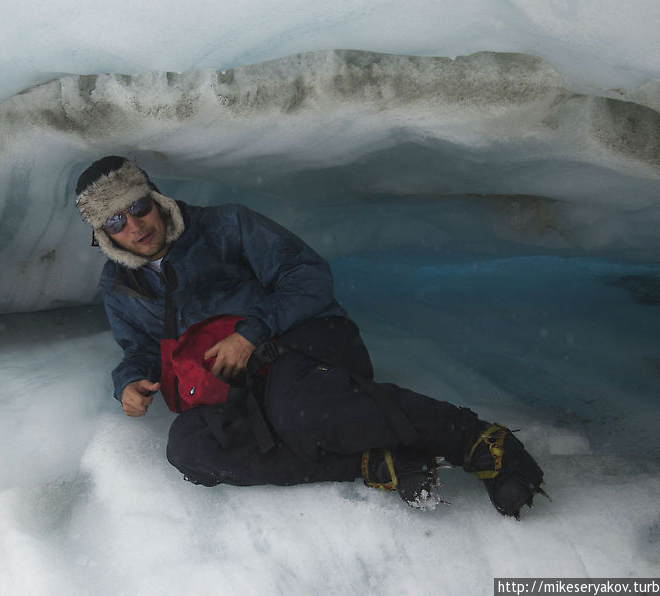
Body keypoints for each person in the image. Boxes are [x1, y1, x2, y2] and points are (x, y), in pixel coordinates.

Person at [75, 155, 545, 518]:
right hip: (232, 387)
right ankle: (373, 465)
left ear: (155, 198)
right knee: (190, 449)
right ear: (103, 234)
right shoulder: (119, 286)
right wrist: (130, 381)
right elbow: (137, 347)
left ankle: (479, 441)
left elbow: (307, 276)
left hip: (304, 343)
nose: (135, 226)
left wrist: (250, 333)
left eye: (138, 208)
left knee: (298, 409)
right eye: (116, 221)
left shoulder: (226, 225)